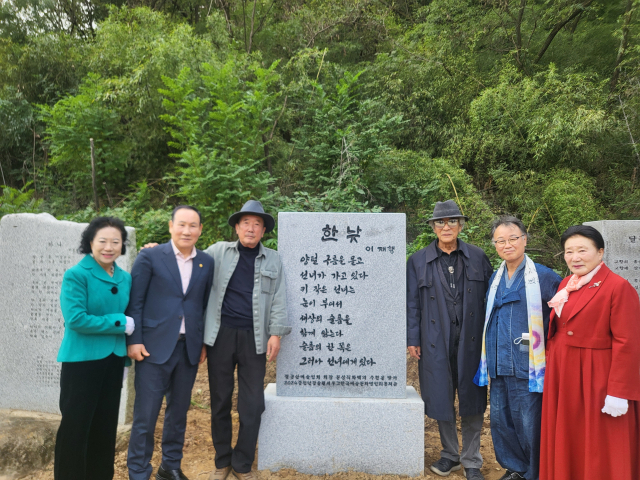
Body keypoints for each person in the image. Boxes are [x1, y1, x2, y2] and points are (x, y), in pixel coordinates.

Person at [540, 225, 640, 480]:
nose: (575, 257)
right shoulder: (567, 284)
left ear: (600, 252)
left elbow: (628, 342)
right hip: (564, 375)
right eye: (569, 252)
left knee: (598, 441)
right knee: (569, 437)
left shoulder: (617, 287)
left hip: (597, 378)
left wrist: (619, 392)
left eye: (582, 250)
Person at [407, 200, 493, 480]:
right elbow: (411, 304)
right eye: (441, 222)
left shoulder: (478, 256)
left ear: (461, 225)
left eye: (452, 221)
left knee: (472, 399)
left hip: (471, 340)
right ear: (433, 227)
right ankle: (449, 455)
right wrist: (413, 337)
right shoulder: (418, 260)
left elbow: (491, 300)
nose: (447, 227)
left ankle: (471, 460)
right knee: (441, 397)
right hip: (434, 341)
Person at [126, 206, 214, 480]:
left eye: (193, 226)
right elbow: (135, 302)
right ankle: (139, 471)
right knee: (146, 416)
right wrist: (135, 340)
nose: (187, 231)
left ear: (200, 229)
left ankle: (170, 466)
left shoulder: (206, 262)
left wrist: (201, 343)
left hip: (187, 349)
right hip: (152, 349)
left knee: (178, 413)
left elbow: (202, 304)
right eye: (182, 225)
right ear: (170, 226)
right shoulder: (150, 256)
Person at [204, 200, 290, 480]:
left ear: (263, 230)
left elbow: (278, 298)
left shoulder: (273, 259)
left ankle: (242, 462)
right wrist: (159, 251)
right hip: (220, 335)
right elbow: (188, 264)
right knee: (220, 399)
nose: (251, 228)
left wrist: (275, 332)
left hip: (255, 338)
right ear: (237, 227)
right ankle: (222, 460)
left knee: (252, 403)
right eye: (246, 223)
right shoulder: (218, 252)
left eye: (257, 224)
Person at [473, 216, 560, 480]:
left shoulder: (545, 277)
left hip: (529, 365)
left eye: (513, 238)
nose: (507, 244)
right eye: (500, 240)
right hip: (499, 364)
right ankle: (516, 469)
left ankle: (534, 472)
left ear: (525, 239)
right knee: (501, 422)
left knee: (529, 423)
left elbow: (558, 321)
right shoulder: (495, 278)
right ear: (494, 244)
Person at [54, 216, 135, 480]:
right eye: (102, 241)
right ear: (90, 242)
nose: (109, 247)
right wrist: (120, 323)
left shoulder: (124, 278)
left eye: (116, 242)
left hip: (112, 362)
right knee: (75, 429)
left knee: (105, 427)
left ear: (123, 245)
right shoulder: (76, 275)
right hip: (82, 362)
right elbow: (76, 319)